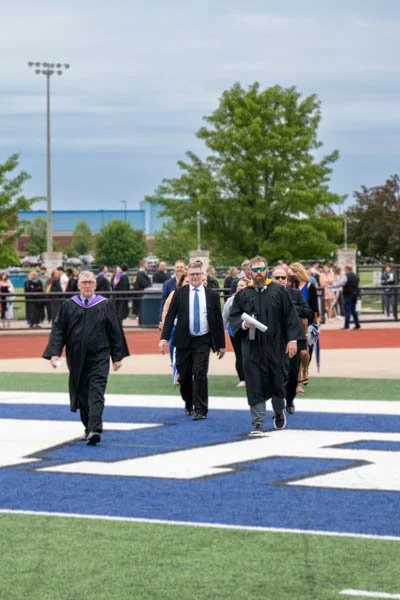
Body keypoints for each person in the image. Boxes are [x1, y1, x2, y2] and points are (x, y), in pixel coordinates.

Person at [43, 270, 129, 446]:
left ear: (95, 285)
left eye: (91, 282)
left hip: (100, 355)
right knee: (81, 393)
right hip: (76, 357)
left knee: (96, 390)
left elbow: (115, 331)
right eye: (84, 282)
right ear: (78, 285)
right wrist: (54, 353)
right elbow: (59, 331)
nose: (88, 285)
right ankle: (88, 427)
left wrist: (117, 356)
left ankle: (94, 428)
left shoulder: (105, 305)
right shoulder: (68, 305)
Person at [229, 256, 303, 435]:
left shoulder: (279, 291)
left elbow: (290, 317)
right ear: (250, 272)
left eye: (261, 269)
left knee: (277, 382)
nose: (258, 273)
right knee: (254, 383)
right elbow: (233, 317)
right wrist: (244, 324)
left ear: (267, 270)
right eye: (254, 270)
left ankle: (278, 411)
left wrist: (293, 340)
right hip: (252, 347)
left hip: (276, 346)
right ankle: (257, 422)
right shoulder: (243, 294)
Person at [159, 259, 225, 419]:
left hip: (203, 339)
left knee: (200, 373)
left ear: (203, 275)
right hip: (183, 339)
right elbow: (169, 317)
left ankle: (201, 409)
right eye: (192, 274)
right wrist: (164, 338)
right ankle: (188, 401)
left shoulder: (212, 295)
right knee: (185, 375)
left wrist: (221, 344)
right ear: (187, 275)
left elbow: (217, 320)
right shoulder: (179, 293)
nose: (195, 277)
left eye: (198, 274)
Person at [271, 267, 311, 415]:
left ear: (287, 279)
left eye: (283, 278)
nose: (281, 280)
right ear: (272, 278)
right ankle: (278, 403)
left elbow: (307, 311)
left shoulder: (295, 294)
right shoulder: (266, 295)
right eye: (277, 278)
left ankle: (289, 400)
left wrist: (291, 308)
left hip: (294, 337)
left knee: (293, 373)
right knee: (276, 373)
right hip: (274, 340)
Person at [222, 277, 247, 388]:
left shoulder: (252, 299)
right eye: (239, 286)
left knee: (250, 355)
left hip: (249, 331)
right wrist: (222, 332)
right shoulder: (230, 300)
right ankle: (242, 379)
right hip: (235, 331)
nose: (240, 287)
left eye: (243, 285)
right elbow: (225, 316)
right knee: (239, 355)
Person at [331, 264, 361, 330]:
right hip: (355, 294)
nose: (344, 270)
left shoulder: (346, 276)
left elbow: (340, 283)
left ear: (347, 269)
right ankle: (357, 324)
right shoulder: (356, 276)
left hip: (348, 294)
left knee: (347, 309)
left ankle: (346, 325)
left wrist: (332, 286)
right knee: (353, 310)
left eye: (344, 269)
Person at [132, 259, 152, 323]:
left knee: (141, 308)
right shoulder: (140, 273)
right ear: (143, 265)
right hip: (141, 294)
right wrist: (149, 286)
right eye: (147, 264)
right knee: (141, 309)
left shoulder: (142, 272)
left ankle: (141, 322)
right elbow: (144, 283)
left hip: (141, 294)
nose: (148, 265)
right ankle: (141, 322)